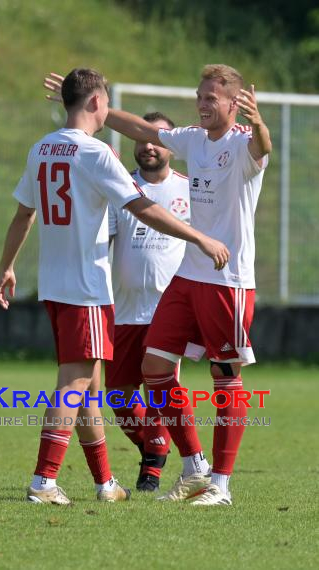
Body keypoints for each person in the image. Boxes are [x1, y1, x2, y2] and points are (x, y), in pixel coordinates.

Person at [0, 68, 229, 506]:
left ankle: (106, 484)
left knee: (89, 386)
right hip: (86, 288)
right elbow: (140, 205)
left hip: (55, 286)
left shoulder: (41, 148)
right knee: (74, 384)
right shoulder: (96, 153)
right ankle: (44, 480)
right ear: (96, 102)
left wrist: (7, 266)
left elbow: (23, 214)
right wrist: (198, 236)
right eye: (105, 103)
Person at [49, 63, 272, 506]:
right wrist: (93, 107)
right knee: (154, 368)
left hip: (227, 279)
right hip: (188, 276)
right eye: (199, 95)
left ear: (233, 103)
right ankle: (194, 467)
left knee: (225, 379)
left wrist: (260, 122)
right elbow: (140, 128)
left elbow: (264, 147)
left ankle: (221, 487)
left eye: (211, 97)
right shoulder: (191, 138)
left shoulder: (244, 144)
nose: (202, 104)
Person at [107, 111, 190, 492]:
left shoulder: (189, 189)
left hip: (168, 309)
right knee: (118, 396)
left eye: (157, 140)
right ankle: (151, 445)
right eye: (143, 140)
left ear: (171, 145)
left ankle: (152, 468)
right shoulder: (119, 186)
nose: (149, 147)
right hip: (123, 309)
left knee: (161, 389)